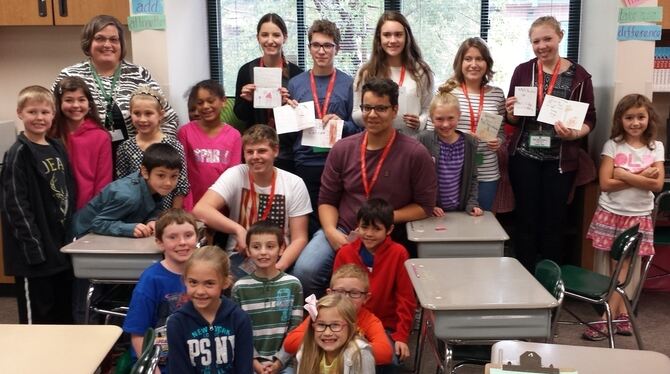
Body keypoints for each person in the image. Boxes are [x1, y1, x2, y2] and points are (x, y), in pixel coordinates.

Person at [292, 78, 437, 299]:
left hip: (388, 234)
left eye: (381, 108)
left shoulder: (415, 153)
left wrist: (381, 220)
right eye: (367, 108)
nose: (372, 115)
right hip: (344, 229)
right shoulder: (342, 149)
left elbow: (425, 206)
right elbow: (327, 201)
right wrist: (331, 232)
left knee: (382, 288)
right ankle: (327, 321)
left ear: (394, 110)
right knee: (306, 272)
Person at [505, 16, 596, 271]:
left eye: (547, 39)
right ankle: (522, 275)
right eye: (536, 41)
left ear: (560, 37)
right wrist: (510, 112)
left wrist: (575, 134)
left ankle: (550, 279)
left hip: (559, 161)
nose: (542, 46)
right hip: (524, 157)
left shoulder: (580, 76)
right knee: (525, 219)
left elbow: (590, 119)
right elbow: (511, 118)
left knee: (554, 221)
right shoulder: (523, 71)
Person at [583, 94, 664, 341]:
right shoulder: (613, 145)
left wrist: (624, 174)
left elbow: (658, 184)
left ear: (649, 118)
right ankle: (620, 316)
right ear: (621, 119)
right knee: (613, 268)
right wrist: (641, 176)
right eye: (629, 117)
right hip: (610, 213)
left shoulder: (656, 147)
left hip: (637, 218)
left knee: (624, 267)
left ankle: (605, 319)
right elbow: (606, 183)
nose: (635, 122)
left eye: (640, 117)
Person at [193, 125, 311, 279]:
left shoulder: (294, 183)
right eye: (249, 152)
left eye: (261, 151)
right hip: (241, 255)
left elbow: (300, 238)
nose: (255, 156)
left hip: (279, 255)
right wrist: (238, 230)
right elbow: (201, 209)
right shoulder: (236, 174)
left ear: (275, 151)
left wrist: (277, 269)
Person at [1, 86, 76, 324]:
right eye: (32, 112)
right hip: (34, 257)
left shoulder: (56, 147)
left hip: (60, 251)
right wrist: (34, 249)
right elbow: (15, 206)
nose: (39, 117)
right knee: (38, 322)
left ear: (53, 115)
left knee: (62, 315)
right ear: (20, 113)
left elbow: (68, 192)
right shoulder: (18, 153)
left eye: (45, 112)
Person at [53, 15, 178, 151]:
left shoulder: (139, 74)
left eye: (114, 39)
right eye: (100, 38)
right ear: (88, 42)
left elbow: (169, 119)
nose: (107, 45)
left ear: (121, 44)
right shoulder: (70, 75)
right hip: (87, 159)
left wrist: (155, 153)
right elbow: (52, 118)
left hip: (134, 160)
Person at [287, 19, 360, 236]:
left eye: (327, 45)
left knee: (338, 221)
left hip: (338, 162)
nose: (321, 51)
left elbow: (358, 129)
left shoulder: (349, 84)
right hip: (305, 162)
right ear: (309, 47)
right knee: (308, 223)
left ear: (336, 48)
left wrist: (342, 124)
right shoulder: (295, 84)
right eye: (316, 45)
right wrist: (288, 113)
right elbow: (289, 132)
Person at [333, 198, 416, 363]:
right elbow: (335, 296)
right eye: (364, 227)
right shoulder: (345, 253)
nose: (369, 234)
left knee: (389, 359)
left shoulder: (399, 254)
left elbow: (406, 298)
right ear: (357, 225)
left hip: (385, 326)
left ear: (389, 229)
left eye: (376, 229)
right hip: (347, 322)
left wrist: (401, 335)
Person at [122, 209, 197, 371]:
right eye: (173, 237)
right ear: (159, 242)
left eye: (188, 235)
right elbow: (138, 334)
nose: (182, 242)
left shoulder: (205, 273)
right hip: (161, 363)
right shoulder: (151, 280)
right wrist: (152, 368)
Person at [283, 265, 394, 367]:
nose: (345, 298)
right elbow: (290, 343)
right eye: (340, 292)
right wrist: (328, 342)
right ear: (330, 293)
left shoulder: (369, 319)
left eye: (354, 293)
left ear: (366, 298)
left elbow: (385, 353)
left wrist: (341, 344)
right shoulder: (320, 312)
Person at [167, 245, 254, 373]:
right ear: (185, 280)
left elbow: (244, 368)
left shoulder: (239, 319)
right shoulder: (177, 323)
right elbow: (179, 369)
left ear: (225, 282)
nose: (200, 291)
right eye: (193, 282)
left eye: (209, 283)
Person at [234, 13, 303, 172]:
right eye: (264, 35)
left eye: (276, 35)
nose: (270, 40)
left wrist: (288, 105)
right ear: (258, 38)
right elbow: (240, 115)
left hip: (286, 151)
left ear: (284, 38)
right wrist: (247, 101)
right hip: (255, 149)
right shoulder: (246, 71)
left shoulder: (297, 74)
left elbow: (300, 122)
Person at [232, 220, 303, 374]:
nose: (263, 252)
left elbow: (294, 329)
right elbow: (238, 331)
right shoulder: (240, 288)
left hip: (285, 364)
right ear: (248, 251)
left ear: (281, 248)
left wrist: (278, 363)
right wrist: (255, 364)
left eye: (270, 246)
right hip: (249, 363)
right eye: (256, 247)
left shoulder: (293, 284)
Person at [444, 37, 506, 211]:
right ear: (460, 63)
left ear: (487, 63)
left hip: (487, 170)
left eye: (479, 59)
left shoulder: (497, 94)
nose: (474, 64)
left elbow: (501, 132)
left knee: (483, 221)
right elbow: (433, 132)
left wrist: (499, 142)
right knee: (454, 223)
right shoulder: (447, 92)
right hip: (455, 170)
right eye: (468, 59)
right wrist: (461, 137)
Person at [71, 142, 181, 239]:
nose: (168, 183)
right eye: (161, 175)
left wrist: (151, 220)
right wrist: (128, 228)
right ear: (145, 172)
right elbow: (97, 223)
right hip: (82, 236)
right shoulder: (128, 196)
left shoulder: (155, 186)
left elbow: (154, 208)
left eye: (174, 176)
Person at [352, 11, 434, 136]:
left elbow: (428, 109)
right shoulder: (367, 71)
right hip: (377, 143)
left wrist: (420, 122)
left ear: (407, 37)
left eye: (398, 34)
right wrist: (376, 116)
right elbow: (356, 113)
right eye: (387, 35)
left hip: (411, 144)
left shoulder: (422, 71)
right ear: (379, 38)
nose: (393, 40)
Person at [116, 86, 189, 210]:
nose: (142, 119)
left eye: (148, 113)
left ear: (161, 115)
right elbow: (122, 185)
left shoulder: (174, 146)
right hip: (135, 214)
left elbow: (181, 185)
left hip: (165, 214)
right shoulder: (125, 148)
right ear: (130, 113)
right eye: (137, 113)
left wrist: (173, 215)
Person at [418, 80, 483, 216]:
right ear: (431, 118)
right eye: (440, 119)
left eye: (451, 118)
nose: (446, 124)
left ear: (459, 116)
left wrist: (472, 204)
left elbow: (473, 177)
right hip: (433, 210)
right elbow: (417, 178)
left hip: (460, 210)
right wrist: (428, 204)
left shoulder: (470, 143)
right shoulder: (424, 140)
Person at [178, 80, 242, 211]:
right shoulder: (185, 132)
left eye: (211, 101)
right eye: (200, 103)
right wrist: (188, 209)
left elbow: (233, 177)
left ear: (223, 101)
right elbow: (181, 175)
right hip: (192, 207)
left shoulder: (234, 135)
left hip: (223, 207)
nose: (205, 106)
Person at [52, 76, 113, 211]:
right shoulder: (51, 135)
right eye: (69, 100)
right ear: (59, 103)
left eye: (81, 100)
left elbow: (103, 181)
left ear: (89, 103)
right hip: (55, 211)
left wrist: (92, 212)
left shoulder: (101, 137)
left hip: (87, 210)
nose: (75, 105)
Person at [296, 293, 375, 374]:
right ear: (313, 327)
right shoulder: (306, 350)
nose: (327, 333)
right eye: (321, 325)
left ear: (351, 327)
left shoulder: (360, 354)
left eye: (335, 325)